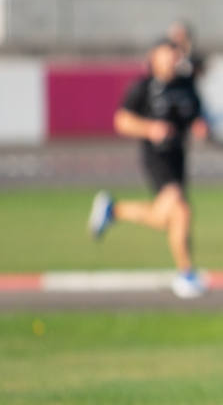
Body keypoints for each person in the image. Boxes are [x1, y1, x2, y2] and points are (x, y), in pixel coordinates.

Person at [87, 36, 212, 298]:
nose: (171, 61)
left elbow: (195, 116)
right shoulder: (143, 88)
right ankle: (186, 274)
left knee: (166, 217)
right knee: (181, 209)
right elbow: (121, 121)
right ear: (154, 58)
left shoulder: (186, 86)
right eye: (166, 55)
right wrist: (150, 128)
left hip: (178, 157)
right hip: (156, 157)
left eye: (174, 56)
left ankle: (114, 210)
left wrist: (200, 127)